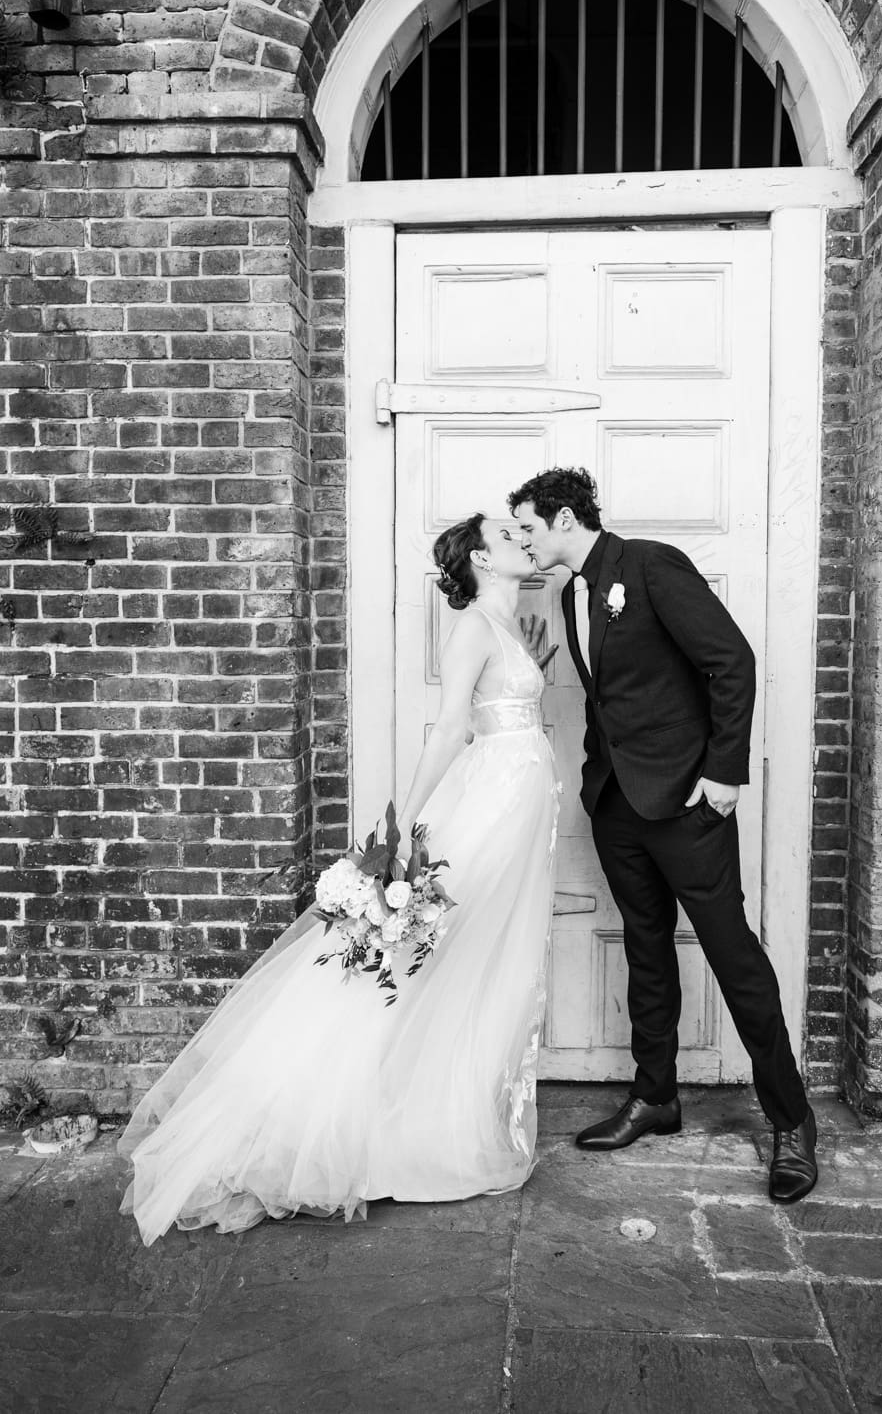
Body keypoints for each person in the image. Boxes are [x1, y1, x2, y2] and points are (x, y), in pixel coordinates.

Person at [118, 516, 560, 1244]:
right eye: (508, 532)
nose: (523, 537)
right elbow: (451, 729)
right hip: (492, 802)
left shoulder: (507, 621)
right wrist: (400, 827)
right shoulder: (474, 629)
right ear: (483, 556)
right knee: (428, 956)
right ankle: (352, 1121)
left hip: (518, 807)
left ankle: (450, 1114)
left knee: (488, 962)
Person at [509, 467, 817, 1204]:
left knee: (732, 955)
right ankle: (656, 1096)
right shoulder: (567, 591)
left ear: (561, 519)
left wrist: (724, 775)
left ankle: (794, 1122)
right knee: (645, 949)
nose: (522, 540)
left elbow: (730, 661)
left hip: (687, 803)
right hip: (617, 803)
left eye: (526, 527)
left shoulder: (647, 566)